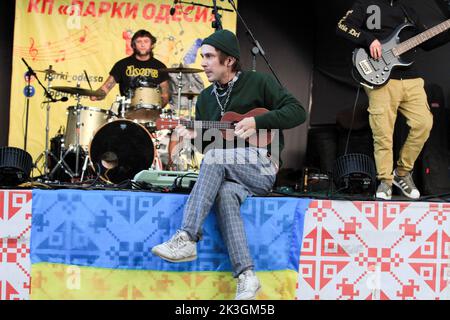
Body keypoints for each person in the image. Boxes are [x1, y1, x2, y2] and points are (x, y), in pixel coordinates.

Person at [151, 30, 307, 300]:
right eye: (202, 57)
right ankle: (247, 276)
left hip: (262, 167)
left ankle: (187, 237)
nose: (203, 63)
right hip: (231, 172)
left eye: (210, 57)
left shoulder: (259, 83)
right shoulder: (206, 99)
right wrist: (194, 137)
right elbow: (209, 151)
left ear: (230, 61)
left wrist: (258, 122)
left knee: (216, 160)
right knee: (224, 195)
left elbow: (298, 112)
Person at [336, 0, 450, 200]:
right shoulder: (366, 4)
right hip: (380, 76)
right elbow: (342, 26)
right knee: (383, 133)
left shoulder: (408, 10)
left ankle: (402, 173)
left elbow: (427, 41)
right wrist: (368, 39)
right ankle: (385, 181)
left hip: (410, 77)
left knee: (424, 123)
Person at [91, 29, 170, 106]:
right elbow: (107, 87)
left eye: (146, 41)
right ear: (133, 45)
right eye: (139, 41)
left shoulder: (160, 67)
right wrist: (97, 95)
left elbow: (165, 95)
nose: (142, 45)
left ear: (152, 45)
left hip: (152, 113)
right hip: (126, 112)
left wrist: (156, 110)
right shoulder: (122, 65)